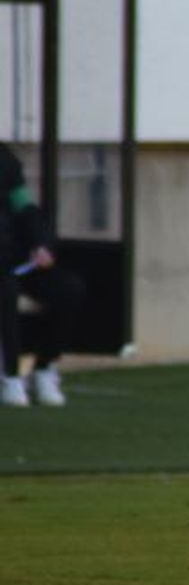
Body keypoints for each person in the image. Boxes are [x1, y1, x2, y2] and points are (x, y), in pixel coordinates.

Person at [1, 142, 86, 408]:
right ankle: (10, 377)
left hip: (13, 260)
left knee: (67, 289)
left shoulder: (5, 161)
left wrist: (42, 243)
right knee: (6, 291)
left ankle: (44, 368)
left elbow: (25, 207)